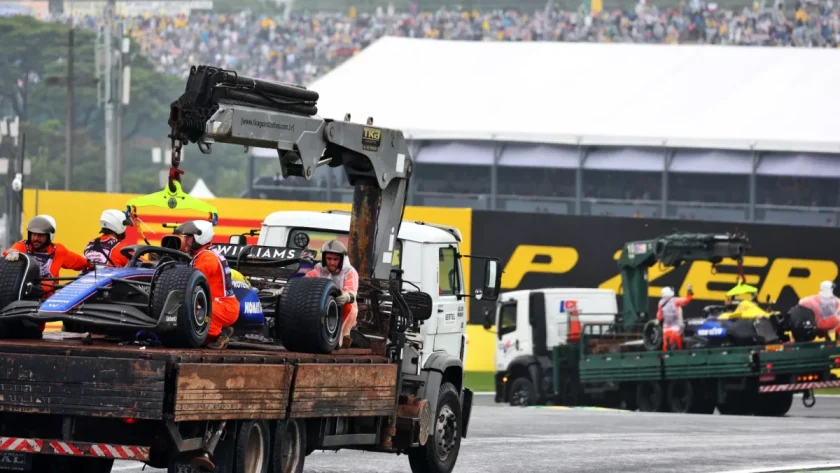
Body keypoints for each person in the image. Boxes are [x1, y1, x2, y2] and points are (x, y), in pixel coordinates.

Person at [2, 215, 91, 335]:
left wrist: (95, 265)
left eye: (40, 235)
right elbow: (10, 251)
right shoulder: (22, 246)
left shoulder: (59, 251)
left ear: (50, 236)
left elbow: (82, 263)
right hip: (22, 302)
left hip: (44, 305)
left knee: (34, 333)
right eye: (33, 234)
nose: (35, 238)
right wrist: (11, 252)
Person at [175, 220, 239, 349]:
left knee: (192, 332)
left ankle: (220, 335)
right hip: (217, 305)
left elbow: (191, 280)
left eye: (188, 237)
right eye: (185, 237)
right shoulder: (203, 254)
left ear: (200, 237)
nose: (185, 241)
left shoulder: (207, 258)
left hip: (221, 307)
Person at [305, 240, 359, 348]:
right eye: (329, 259)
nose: (332, 262)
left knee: (349, 307)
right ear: (324, 258)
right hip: (320, 306)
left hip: (342, 307)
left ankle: (340, 337)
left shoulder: (350, 271)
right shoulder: (318, 269)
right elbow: (305, 281)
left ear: (342, 259)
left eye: (336, 259)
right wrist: (287, 288)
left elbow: (352, 292)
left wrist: (347, 296)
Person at [656, 284, 693, 351]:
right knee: (679, 346)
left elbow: (659, 316)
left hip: (666, 329)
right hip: (677, 328)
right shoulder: (675, 300)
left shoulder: (660, 303)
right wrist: (689, 290)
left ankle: (665, 357)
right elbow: (687, 300)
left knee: (665, 346)